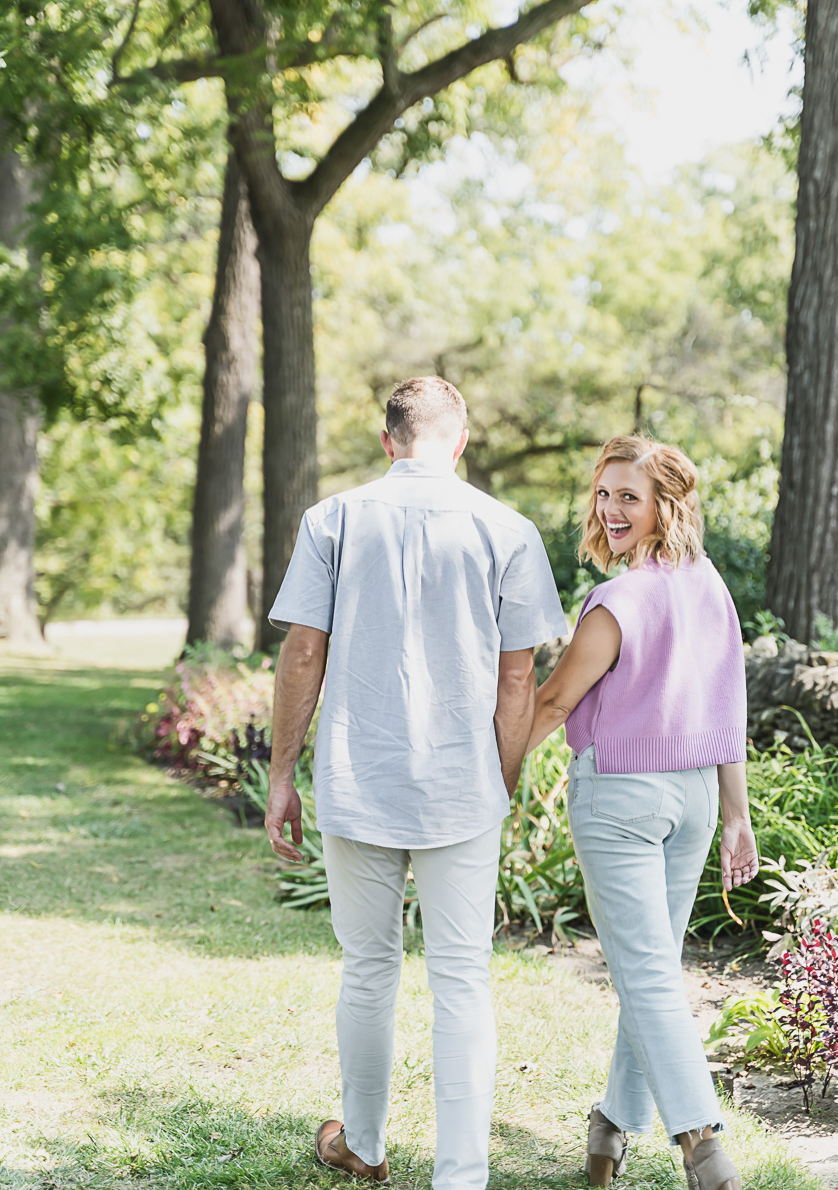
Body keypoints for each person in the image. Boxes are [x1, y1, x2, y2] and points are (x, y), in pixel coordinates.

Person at [264, 376, 567, 1190]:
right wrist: (497, 780)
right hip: (463, 785)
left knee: (368, 966)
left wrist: (282, 772)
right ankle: (460, 1175)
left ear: (389, 439)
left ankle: (361, 1143)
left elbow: (302, 653)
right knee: (462, 975)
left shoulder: (332, 520)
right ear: (459, 442)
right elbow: (517, 680)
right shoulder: (508, 528)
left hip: (358, 780)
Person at [527, 436, 757, 1190]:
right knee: (647, 970)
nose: (611, 508)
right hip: (691, 798)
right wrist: (733, 813)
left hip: (622, 797)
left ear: (666, 505)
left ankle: (703, 1146)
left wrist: (491, 776)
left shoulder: (617, 601)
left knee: (648, 976)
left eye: (630, 496)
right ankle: (609, 1132)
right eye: (604, 492)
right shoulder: (709, 584)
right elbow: (730, 703)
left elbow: (555, 701)